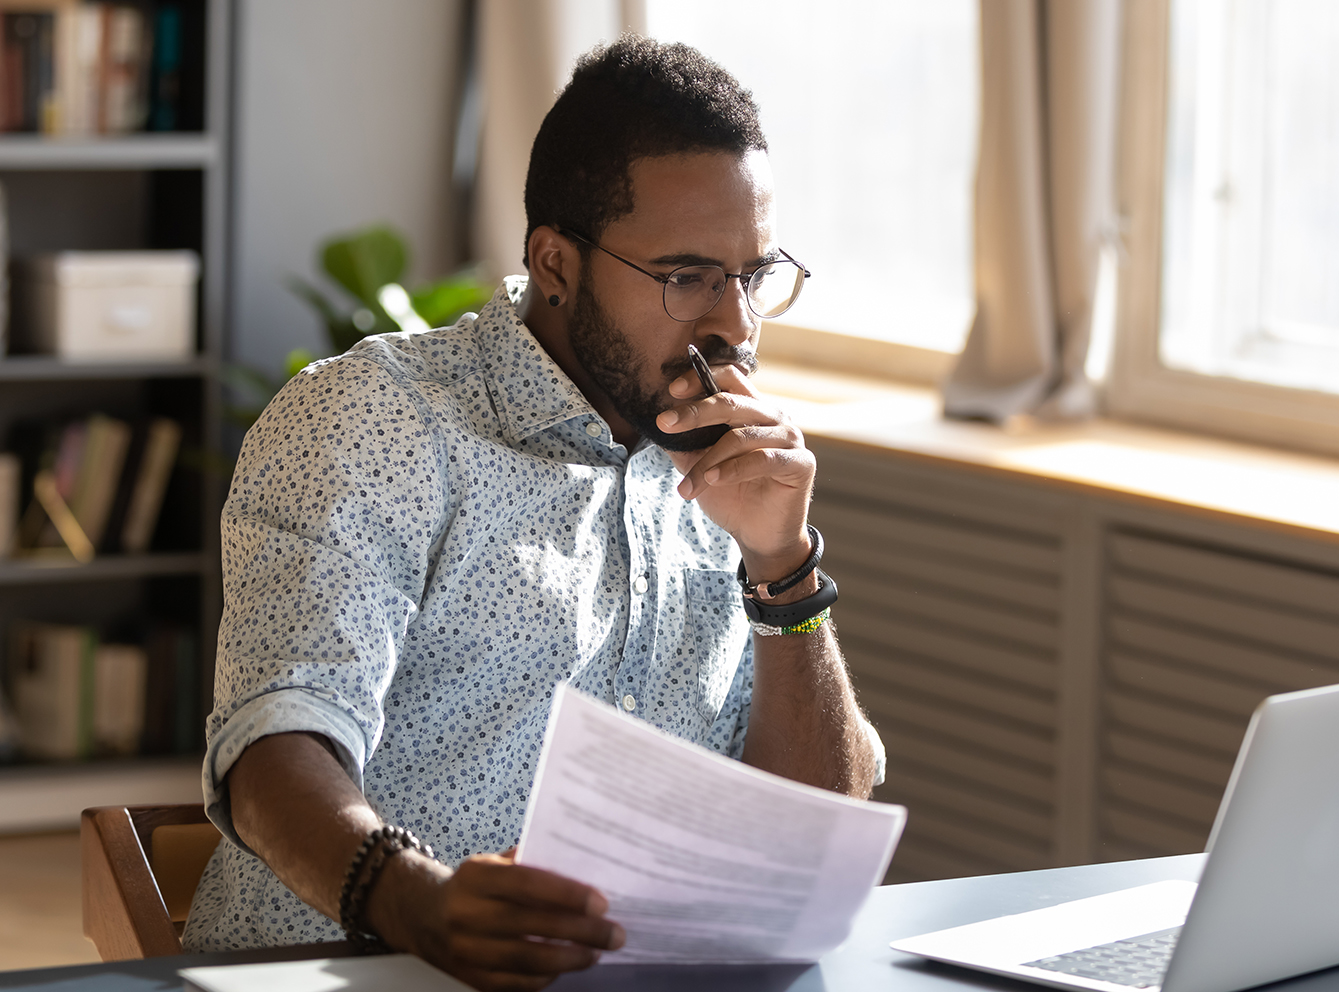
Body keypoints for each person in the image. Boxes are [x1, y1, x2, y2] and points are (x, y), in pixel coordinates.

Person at [182, 36, 885, 990]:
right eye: (686, 278)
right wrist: (414, 905)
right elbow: (276, 743)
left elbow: (814, 832)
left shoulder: (732, 474)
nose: (735, 327)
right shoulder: (378, 421)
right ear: (555, 262)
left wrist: (782, 567)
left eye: (751, 276)